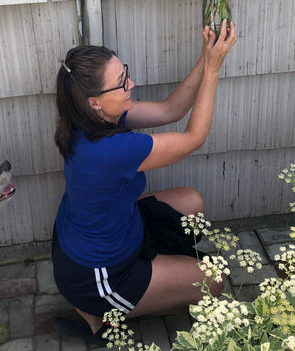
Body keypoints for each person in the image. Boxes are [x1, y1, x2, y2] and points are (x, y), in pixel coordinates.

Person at [52, 20, 236, 343]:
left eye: (125, 73)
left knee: (192, 202)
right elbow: (193, 138)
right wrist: (214, 71)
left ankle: (158, 275)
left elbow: (172, 109)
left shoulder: (93, 118)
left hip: (104, 231)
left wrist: (206, 56)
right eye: (122, 83)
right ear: (94, 101)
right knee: (215, 281)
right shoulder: (110, 151)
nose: (131, 84)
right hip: (99, 275)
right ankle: (102, 315)